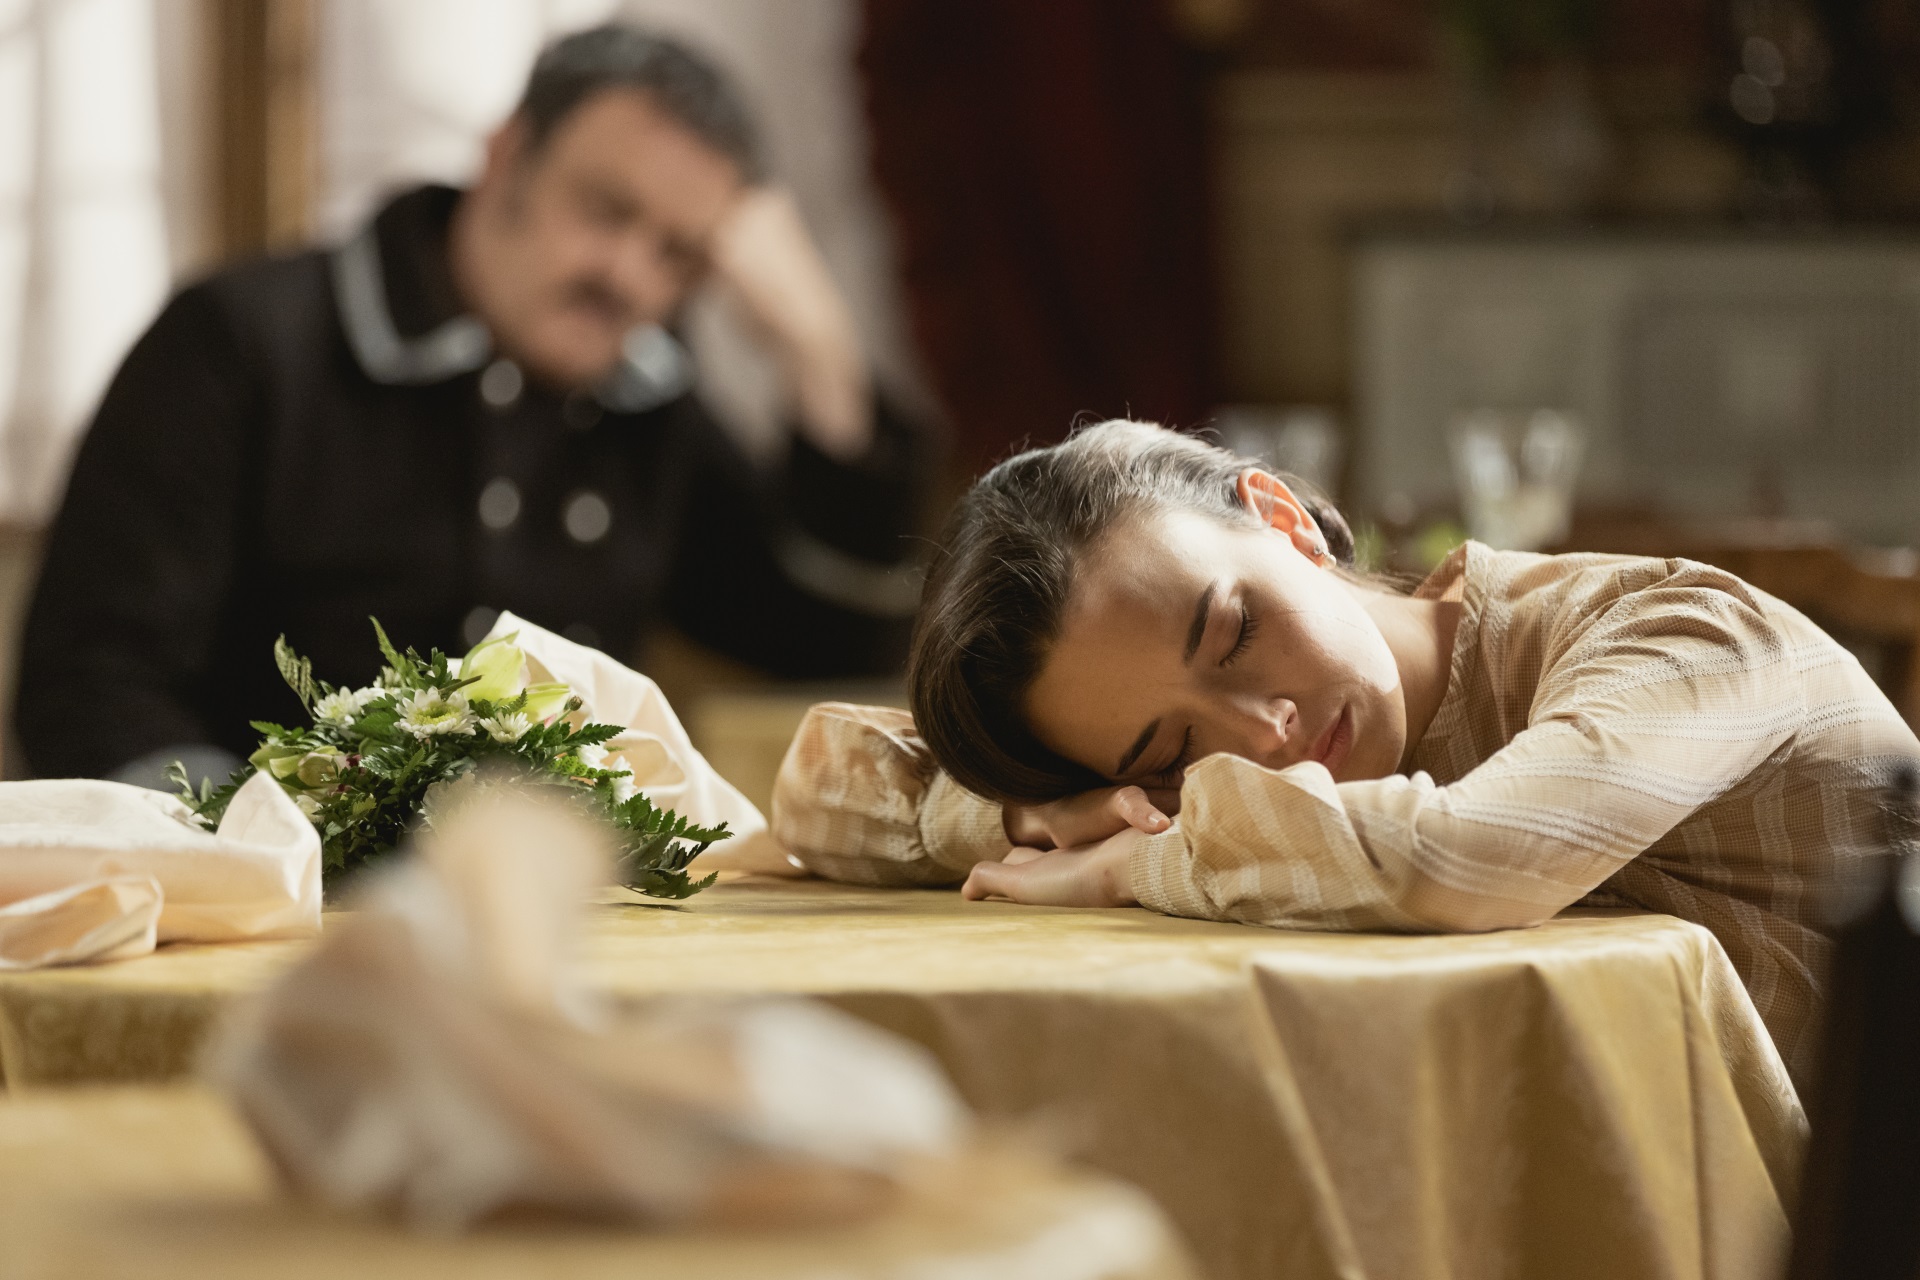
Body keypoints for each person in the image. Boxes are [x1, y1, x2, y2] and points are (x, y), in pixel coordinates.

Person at [772, 420, 1920, 1090]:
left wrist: (1132, 858)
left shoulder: (1674, 630)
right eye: (1172, 750)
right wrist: (1046, 814)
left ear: (1283, 517)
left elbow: (1459, 858)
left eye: (1234, 632)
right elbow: (827, 790)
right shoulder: (1245, 815)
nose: (1261, 732)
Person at [17, 25, 934, 788]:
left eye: (678, 254)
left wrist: (820, 353)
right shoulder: (241, 343)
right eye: (605, 211)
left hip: (551, 907)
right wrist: (249, 854)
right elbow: (91, 685)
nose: (629, 276)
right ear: (506, 156)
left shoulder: (646, 403)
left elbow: (825, 649)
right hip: (273, 906)